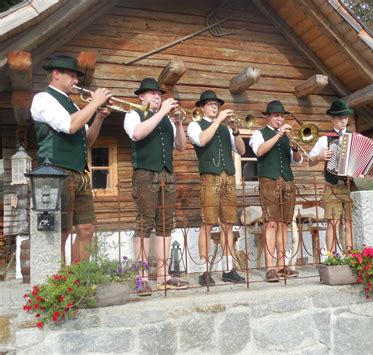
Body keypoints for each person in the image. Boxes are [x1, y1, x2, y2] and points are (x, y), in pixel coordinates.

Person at [30, 54, 112, 263]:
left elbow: (88, 141)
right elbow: (69, 126)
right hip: (57, 172)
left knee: (87, 228)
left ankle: (78, 279)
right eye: (72, 76)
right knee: (62, 230)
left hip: (78, 173)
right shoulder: (43, 98)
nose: (76, 81)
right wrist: (94, 104)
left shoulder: (74, 106)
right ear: (56, 74)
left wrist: (99, 118)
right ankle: (60, 283)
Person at [124, 78, 190, 294]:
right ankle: (140, 277)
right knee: (144, 223)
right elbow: (137, 134)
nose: (156, 96)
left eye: (158, 94)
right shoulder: (133, 114)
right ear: (140, 97)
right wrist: (161, 112)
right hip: (145, 174)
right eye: (151, 93)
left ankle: (164, 275)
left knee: (165, 224)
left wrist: (179, 123)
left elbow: (181, 146)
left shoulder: (168, 120)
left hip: (167, 175)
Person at [308, 100, 373, 254]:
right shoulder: (325, 139)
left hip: (351, 186)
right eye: (340, 117)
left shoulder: (356, 137)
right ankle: (331, 257)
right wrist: (320, 156)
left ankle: (350, 255)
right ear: (332, 119)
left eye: (345, 117)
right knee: (333, 223)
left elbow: (371, 160)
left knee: (349, 223)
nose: (343, 120)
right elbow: (310, 160)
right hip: (333, 186)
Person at [187, 90, 246, 286]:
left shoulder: (225, 129)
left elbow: (242, 150)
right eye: (210, 104)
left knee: (228, 223)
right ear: (202, 107)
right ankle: (204, 271)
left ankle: (228, 268)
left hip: (228, 177)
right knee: (207, 223)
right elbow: (202, 140)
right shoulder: (195, 125)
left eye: (216, 104)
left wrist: (236, 131)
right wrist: (218, 121)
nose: (214, 107)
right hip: (210, 177)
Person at [249, 100, 302, 282]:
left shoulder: (288, 136)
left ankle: (282, 266)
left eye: (282, 116)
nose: (280, 118)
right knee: (271, 223)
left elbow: (297, 161)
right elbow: (259, 151)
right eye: (276, 115)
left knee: (283, 224)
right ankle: (270, 267)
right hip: (269, 181)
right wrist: (279, 135)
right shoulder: (259, 133)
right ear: (268, 117)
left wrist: (295, 148)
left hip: (287, 181)